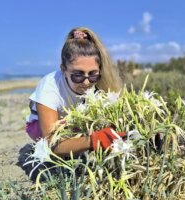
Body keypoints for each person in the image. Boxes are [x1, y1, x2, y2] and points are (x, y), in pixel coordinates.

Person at [25, 27, 125, 157]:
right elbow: (50, 143)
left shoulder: (99, 83)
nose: (86, 82)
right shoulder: (49, 86)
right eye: (78, 75)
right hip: (39, 128)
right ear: (63, 70)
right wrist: (93, 140)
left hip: (72, 124)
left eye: (93, 74)